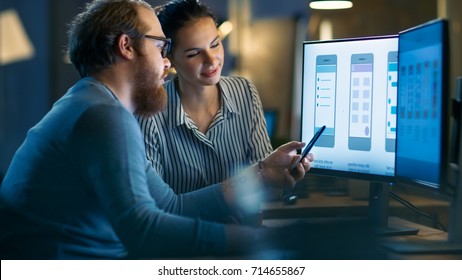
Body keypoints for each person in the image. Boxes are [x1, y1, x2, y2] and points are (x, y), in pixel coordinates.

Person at [0, 0, 311, 259]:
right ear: (126, 46)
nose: (166, 62)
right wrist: (258, 241)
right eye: (161, 46)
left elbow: (170, 206)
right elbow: (144, 231)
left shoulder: (91, 103)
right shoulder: (103, 115)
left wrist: (261, 172)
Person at [136, 0, 273, 194]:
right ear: (170, 59)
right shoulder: (150, 113)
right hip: (183, 224)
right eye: (194, 54)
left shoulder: (244, 92)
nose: (211, 60)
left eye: (215, 44)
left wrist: (281, 173)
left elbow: (265, 175)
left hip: (245, 222)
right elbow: (155, 203)